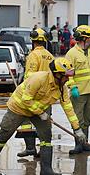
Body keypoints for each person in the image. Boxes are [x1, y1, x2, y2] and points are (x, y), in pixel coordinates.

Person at [0, 58, 85, 175]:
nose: (68, 79)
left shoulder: (62, 88)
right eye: (66, 76)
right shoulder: (39, 79)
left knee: (46, 137)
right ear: (57, 74)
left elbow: (68, 108)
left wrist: (77, 129)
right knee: (3, 136)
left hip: (38, 111)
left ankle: (46, 170)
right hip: (18, 108)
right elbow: (26, 99)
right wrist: (40, 113)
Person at [65, 25, 90, 154]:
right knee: (78, 120)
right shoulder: (71, 54)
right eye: (89, 38)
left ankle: (85, 143)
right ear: (83, 38)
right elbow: (68, 74)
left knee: (87, 119)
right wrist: (73, 87)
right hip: (79, 93)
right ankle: (78, 144)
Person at [16, 28, 55, 158]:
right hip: (47, 96)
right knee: (44, 124)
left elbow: (30, 76)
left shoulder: (33, 55)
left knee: (26, 121)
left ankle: (30, 148)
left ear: (33, 41)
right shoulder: (50, 55)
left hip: (33, 95)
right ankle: (44, 150)